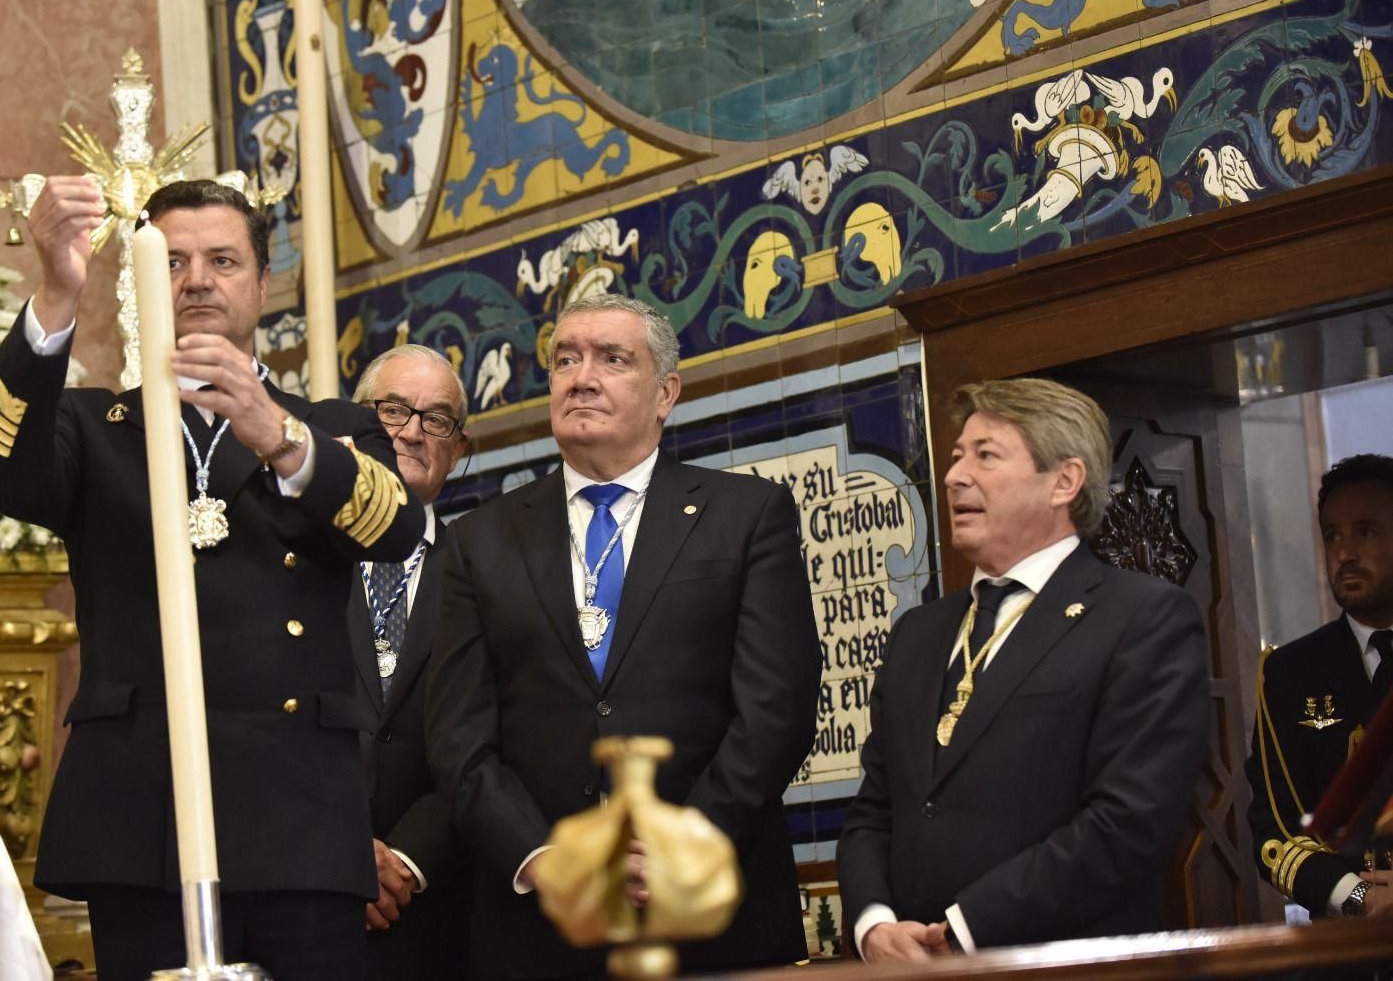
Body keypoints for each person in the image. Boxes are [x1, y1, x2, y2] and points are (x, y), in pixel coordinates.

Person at [0, 176, 424, 981]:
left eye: (222, 260)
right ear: (141, 282)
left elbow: (394, 529)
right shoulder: (95, 428)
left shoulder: (332, 428)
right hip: (142, 814)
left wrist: (279, 436)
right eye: (172, 261)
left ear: (263, 282)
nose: (198, 280)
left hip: (299, 816)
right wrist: (57, 292)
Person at [426, 293, 821, 979]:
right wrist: (541, 858)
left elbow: (776, 711)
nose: (582, 378)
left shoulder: (745, 516)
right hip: (540, 929)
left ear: (665, 393)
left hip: (713, 916)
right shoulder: (478, 541)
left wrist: (683, 842)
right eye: (565, 360)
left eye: (612, 359)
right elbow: (458, 736)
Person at [837, 378, 1209, 961]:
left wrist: (963, 929)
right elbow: (875, 808)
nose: (955, 476)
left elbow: (1127, 823)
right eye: (957, 456)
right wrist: (873, 925)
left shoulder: (1143, 619)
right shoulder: (917, 633)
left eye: (986, 456)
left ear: (1064, 481)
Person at [348, 345, 473, 979]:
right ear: (355, 423)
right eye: (393, 409)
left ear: (459, 449)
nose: (412, 432)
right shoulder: (293, 556)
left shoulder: (488, 573)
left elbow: (497, 737)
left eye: (437, 419)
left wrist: (406, 859)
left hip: (436, 911)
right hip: (300, 893)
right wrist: (341, 850)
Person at [1246, 453, 1393, 919]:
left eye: (1365, 532)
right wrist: (1361, 898)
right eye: (1332, 536)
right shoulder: (1290, 673)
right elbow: (1275, 832)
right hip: (1348, 941)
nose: (1344, 554)